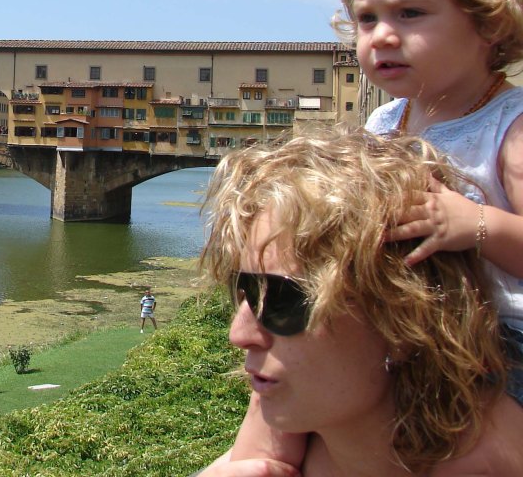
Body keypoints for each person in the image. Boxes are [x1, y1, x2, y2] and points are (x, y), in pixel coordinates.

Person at [228, 0, 523, 470]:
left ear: (490, 19)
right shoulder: (387, 124)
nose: (381, 36)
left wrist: (477, 225)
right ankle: (266, 457)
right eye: (368, 17)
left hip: (503, 347)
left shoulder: (509, 130)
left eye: (409, 13)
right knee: (297, 363)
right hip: (412, 332)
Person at [199, 129, 523, 476]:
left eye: (281, 299)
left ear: (404, 316)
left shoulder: (489, 463)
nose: (239, 333)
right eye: (244, 290)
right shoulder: (273, 446)